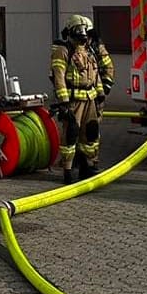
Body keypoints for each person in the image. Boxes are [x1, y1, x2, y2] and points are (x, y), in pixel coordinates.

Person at [49, 14, 104, 184]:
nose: (84, 37)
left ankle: (88, 166)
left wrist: (100, 94)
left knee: (91, 133)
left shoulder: (89, 51)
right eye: (81, 33)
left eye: (86, 33)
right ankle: (68, 170)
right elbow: (58, 78)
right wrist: (64, 102)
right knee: (71, 134)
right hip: (73, 102)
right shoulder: (63, 51)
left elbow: (96, 76)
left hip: (90, 100)